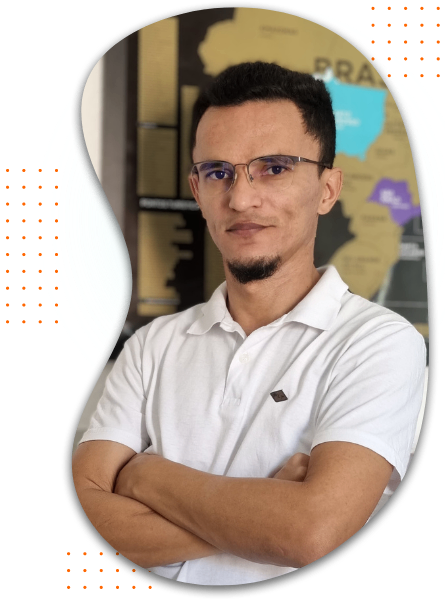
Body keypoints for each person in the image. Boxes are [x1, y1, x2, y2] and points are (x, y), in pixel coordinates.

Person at [72, 61, 426, 585]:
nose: (240, 199)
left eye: (274, 168)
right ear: (197, 190)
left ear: (328, 190)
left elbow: (312, 533)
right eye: (218, 172)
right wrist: (266, 512)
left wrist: (147, 476)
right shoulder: (151, 347)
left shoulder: (380, 344)